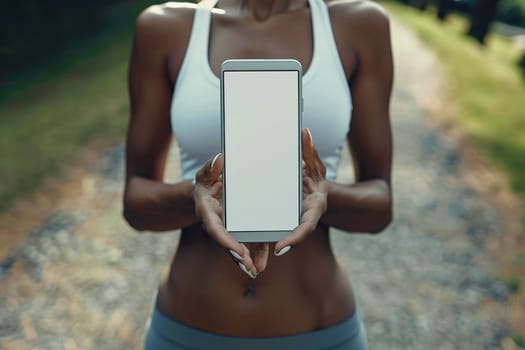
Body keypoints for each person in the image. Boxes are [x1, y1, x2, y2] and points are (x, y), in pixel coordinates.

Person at [123, 0, 393, 348]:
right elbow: (135, 202)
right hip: (185, 331)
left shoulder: (359, 23)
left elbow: (380, 204)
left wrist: (321, 194)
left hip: (322, 333)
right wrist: (197, 195)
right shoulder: (164, 27)